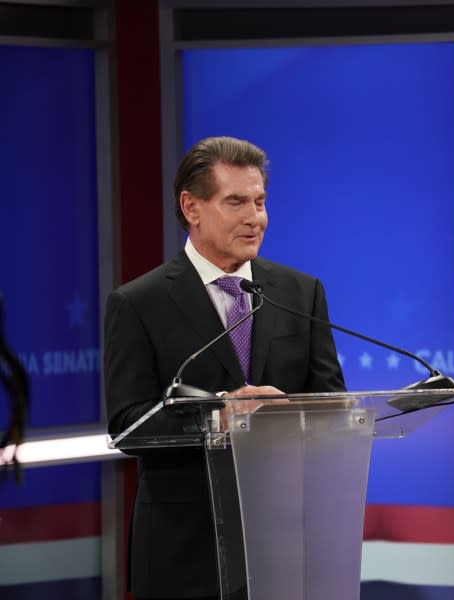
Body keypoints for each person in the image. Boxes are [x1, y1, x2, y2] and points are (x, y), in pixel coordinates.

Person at [104, 136, 345, 600]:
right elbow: (127, 425)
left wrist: (299, 416)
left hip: (285, 544)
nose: (255, 217)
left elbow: (331, 405)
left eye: (260, 201)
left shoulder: (300, 292)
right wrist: (221, 414)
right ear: (191, 207)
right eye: (236, 202)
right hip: (184, 550)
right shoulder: (139, 303)